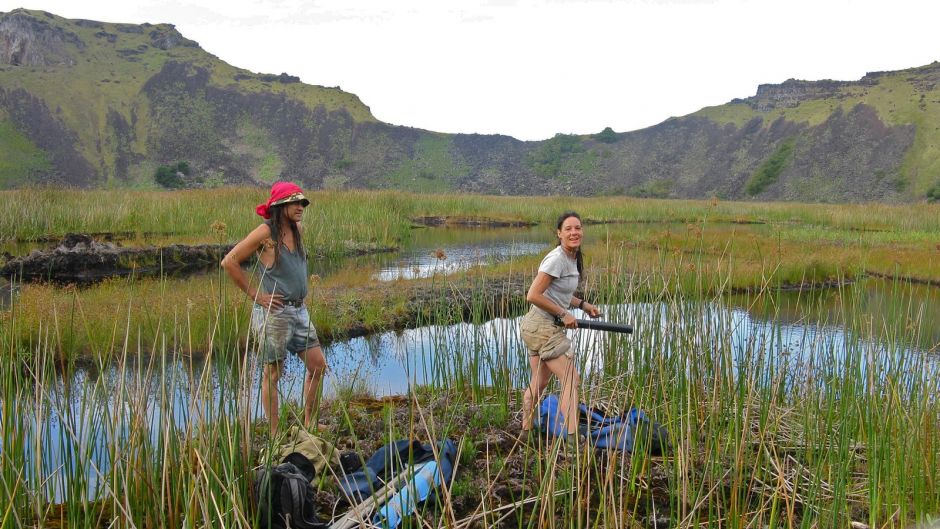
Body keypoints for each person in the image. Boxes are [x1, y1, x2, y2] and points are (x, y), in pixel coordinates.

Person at [221, 181, 327, 435]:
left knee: (318, 366)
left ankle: (310, 422)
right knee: (273, 373)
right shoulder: (265, 233)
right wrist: (256, 295)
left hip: (299, 310)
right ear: (281, 206)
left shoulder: (298, 229)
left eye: (303, 202)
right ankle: (275, 433)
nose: (301, 206)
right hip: (275, 314)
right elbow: (229, 262)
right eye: (295, 202)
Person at [519, 211, 602, 441]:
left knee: (540, 381)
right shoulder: (556, 258)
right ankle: (573, 438)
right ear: (559, 233)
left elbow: (558, 293)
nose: (574, 232)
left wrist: (583, 305)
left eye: (577, 228)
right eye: (568, 229)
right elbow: (533, 294)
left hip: (536, 325)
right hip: (541, 326)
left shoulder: (571, 258)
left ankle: (526, 432)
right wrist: (563, 314)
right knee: (570, 378)